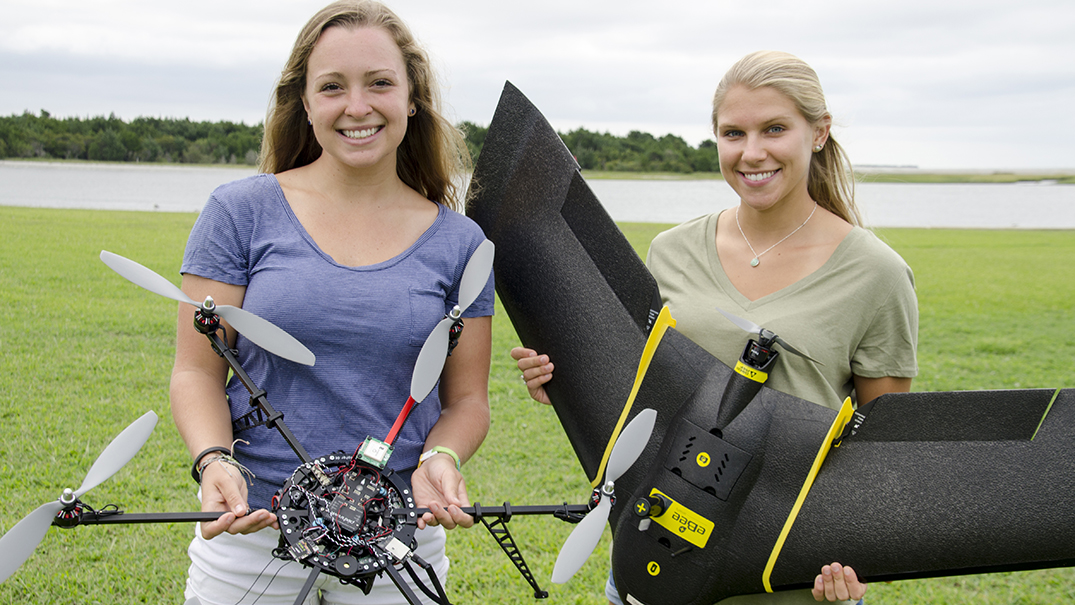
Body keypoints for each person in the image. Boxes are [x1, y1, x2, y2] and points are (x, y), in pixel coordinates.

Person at [513, 50, 918, 605]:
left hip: (786, 581)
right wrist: (563, 381)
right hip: (651, 564)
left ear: (819, 133)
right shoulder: (671, 250)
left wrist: (855, 555)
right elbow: (640, 396)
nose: (752, 152)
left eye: (774, 128)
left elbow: (881, 451)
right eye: (733, 133)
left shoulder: (877, 274)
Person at [170, 2, 494, 603]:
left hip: (394, 533)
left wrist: (442, 456)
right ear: (306, 104)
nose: (357, 106)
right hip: (253, 528)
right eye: (332, 87)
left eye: (380, 83)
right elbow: (196, 370)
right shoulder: (238, 212)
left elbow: (469, 399)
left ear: (413, 98)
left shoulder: (461, 244)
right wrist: (215, 462)